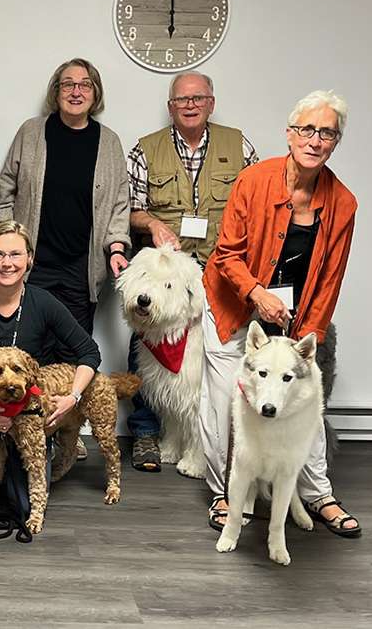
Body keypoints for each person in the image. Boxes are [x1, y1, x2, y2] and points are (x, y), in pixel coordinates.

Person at [200, 90, 360, 537]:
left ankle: (318, 493)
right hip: (233, 304)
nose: (315, 140)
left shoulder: (344, 204)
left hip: (296, 316)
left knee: (303, 401)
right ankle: (224, 494)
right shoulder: (253, 180)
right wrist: (256, 294)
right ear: (289, 134)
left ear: (335, 142)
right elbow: (226, 254)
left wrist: (305, 345)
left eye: (326, 132)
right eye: (307, 129)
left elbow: (330, 280)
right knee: (224, 402)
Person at [124, 71, 258, 472]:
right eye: (182, 99)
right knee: (151, 351)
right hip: (169, 272)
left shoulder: (239, 145)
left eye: (198, 98)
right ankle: (151, 431)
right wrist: (152, 224)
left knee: (209, 363)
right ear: (171, 107)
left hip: (222, 271)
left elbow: (258, 204)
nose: (190, 105)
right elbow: (129, 206)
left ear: (211, 103)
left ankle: (210, 443)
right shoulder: (145, 149)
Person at [0, 221, 100, 518]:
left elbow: (89, 353)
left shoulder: (44, 302)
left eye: (16, 255)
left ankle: (33, 456)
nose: (7, 263)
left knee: (24, 508)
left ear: (29, 259)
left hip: (30, 415)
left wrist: (73, 397)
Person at [0, 57, 131, 335]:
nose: (76, 92)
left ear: (96, 94)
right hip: (32, 263)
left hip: (80, 268)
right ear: (56, 92)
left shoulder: (109, 142)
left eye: (85, 85)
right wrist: (3, 243)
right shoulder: (31, 132)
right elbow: (5, 192)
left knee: (74, 351)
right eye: (68, 84)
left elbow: (119, 203)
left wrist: (116, 248)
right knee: (26, 348)